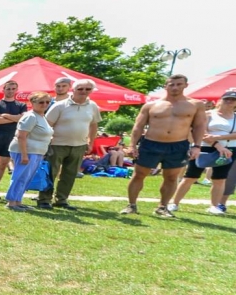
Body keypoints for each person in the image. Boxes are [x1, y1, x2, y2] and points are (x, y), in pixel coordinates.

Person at [121, 74, 206, 218]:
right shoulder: (151, 105)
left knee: (171, 177)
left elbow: (199, 126)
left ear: (185, 85)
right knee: (139, 174)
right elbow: (138, 126)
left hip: (178, 145)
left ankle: (162, 207)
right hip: (151, 144)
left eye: (179, 84)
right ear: (165, 86)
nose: (175, 87)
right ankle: (131, 205)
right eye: (171, 84)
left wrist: (197, 146)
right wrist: (132, 146)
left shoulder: (195, 105)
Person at [169, 89, 236, 215]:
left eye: (233, 99)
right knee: (191, 176)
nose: (229, 101)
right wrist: (218, 146)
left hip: (229, 149)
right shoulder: (209, 114)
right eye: (226, 99)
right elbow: (201, 132)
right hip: (204, 147)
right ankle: (174, 203)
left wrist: (218, 137)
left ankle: (214, 206)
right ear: (220, 100)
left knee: (220, 179)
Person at [38, 80, 100, 210]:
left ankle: (61, 200)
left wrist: (90, 142)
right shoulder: (60, 105)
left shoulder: (93, 106)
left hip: (79, 145)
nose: (84, 91)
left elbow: (94, 125)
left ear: (91, 91)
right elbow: (47, 124)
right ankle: (44, 200)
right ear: (73, 89)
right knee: (50, 173)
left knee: (70, 175)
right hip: (56, 144)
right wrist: (45, 142)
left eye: (88, 89)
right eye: (80, 89)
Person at [4, 92, 53, 211]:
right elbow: (21, 136)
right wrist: (24, 155)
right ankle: (11, 202)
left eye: (47, 102)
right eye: (41, 102)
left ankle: (18, 201)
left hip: (36, 152)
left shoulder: (41, 117)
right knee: (20, 176)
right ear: (32, 103)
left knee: (26, 178)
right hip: (25, 151)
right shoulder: (30, 116)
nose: (45, 104)